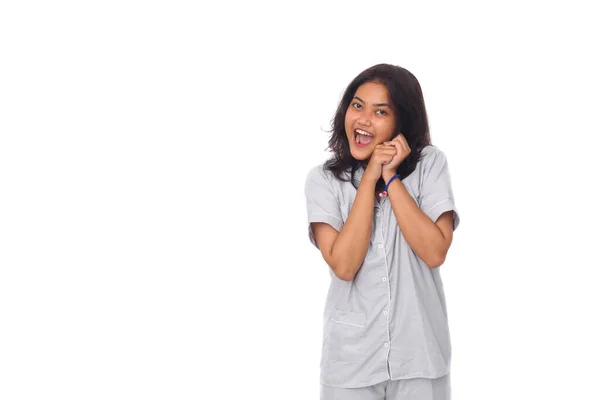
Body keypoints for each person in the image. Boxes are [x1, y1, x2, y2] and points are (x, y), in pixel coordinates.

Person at [304, 63, 460, 400]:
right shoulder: (323, 181)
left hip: (420, 357)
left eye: (380, 111)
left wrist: (391, 177)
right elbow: (344, 265)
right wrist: (370, 177)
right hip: (350, 365)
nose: (362, 119)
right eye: (357, 105)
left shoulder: (430, 165)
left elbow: (435, 252)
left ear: (401, 122)